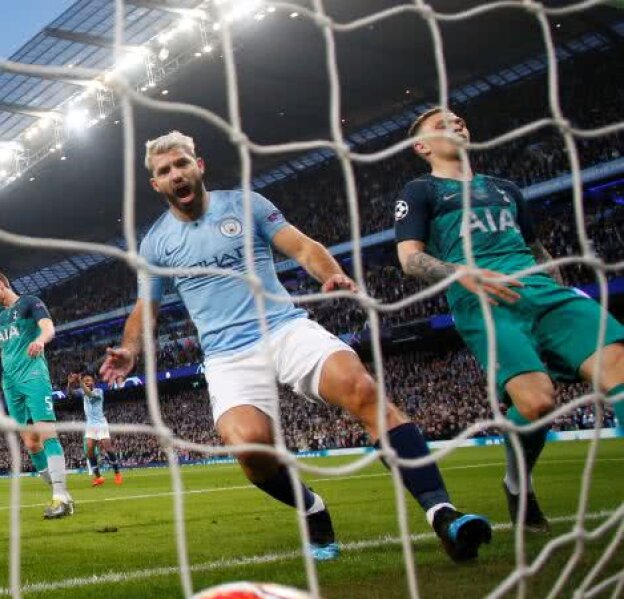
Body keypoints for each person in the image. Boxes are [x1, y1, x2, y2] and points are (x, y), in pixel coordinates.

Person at [101, 130, 492, 562]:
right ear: (155, 184)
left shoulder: (246, 205)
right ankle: (312, 509)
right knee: (249, 446)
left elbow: (303, 246)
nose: (176, 174)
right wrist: (130, 349)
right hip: (227, 356)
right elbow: (145, 309)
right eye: (164, 171)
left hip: (284, 328)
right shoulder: (155, 244)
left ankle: (442, 513)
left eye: (181, 164)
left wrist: (330, 272)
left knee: (361, 389)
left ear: (199, 166)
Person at [395, 108, 624, 533]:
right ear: (421, 147)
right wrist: (464, 273)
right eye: (442, 124)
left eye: (460, 120)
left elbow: (536, 249)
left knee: (619, 370)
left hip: (542, 291)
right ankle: (517, 485)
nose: (457, 125)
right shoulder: (421, 190)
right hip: (480, 299)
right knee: (536, 403)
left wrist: (560, 288)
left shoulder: (505, 189)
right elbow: (409, 259)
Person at [0, 272, 74, 519]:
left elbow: (48, 328)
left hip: (33, 375)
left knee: (46, 432)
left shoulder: (30, 302)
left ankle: (61, 497)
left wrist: (41, 340)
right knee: (31, 442)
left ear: (0, 284)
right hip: (10, 382)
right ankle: (60, 492)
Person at [66, 373, 122, 486]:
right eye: (85, 380)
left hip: (101, 423)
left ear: (93, 383)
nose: (86, 382)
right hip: (90, 425)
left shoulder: (98, 392)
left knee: (107, 448)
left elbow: (89, 394)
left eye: (88, 380)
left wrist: (80, 381)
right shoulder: (82, 391)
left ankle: (117, 474)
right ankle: (98, 477)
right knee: (89, 451)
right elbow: (70, 393)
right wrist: (70, 383)